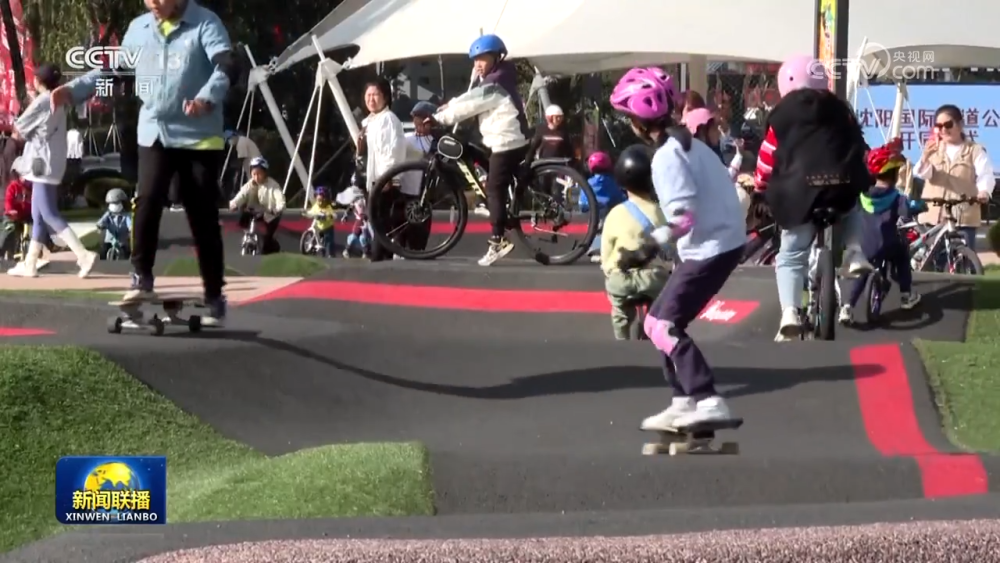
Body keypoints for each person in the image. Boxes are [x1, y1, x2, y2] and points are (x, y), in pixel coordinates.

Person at [54, 0, 236, 324]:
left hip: (198, 135)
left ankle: (213, 294)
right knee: (147, 198)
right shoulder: (138, 29)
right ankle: (141, 277)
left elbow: (227, 67)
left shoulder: (205, 24)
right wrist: (75, 89)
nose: (153, 4)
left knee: (202, 215)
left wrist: (207, 98)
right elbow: (114, 71)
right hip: (154, 132)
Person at [610, 67, 746, 428]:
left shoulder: (667, 156)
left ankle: (707, 398)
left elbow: (683, 219)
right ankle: (683, 400)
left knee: (661, 324)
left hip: (711, 247)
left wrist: (645, 249)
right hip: (721, 241)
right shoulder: (690, 144)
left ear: (638, 121)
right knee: (658, 320)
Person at [753, 55, 872, 342]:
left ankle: (790, 313)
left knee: (791, 255)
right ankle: (855, 250)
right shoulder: (841, 110)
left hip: (798, 194)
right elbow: (858, 146)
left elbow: (767, 157)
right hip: (841, 186)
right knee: (853, 207)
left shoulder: (781, 116)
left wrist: (760, 187)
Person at [427, 34, 530, 266]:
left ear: (496, 57)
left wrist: (438, 118)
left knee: (494, 188)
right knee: (473, 151)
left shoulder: (495, 83)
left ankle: (498, 241)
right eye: (475, 60)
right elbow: (472, 96)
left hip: (507, 142)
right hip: (504, 140)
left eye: (482, 59)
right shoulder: (497, 78)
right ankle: (492, 205)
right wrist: (450, 105)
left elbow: (472, 104)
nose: (478, 64)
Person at [8, 64, 96, 278]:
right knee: (38, 215)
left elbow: (19, 130)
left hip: (41, 163)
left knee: (48, 213)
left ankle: (83, 254)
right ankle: (30, 263)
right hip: (53, 162)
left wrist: (29, 104)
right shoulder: (60, 98)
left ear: (38, 80)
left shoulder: (43, 100)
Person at [839, 140, 924, 323]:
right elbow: (908, 211)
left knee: (862, 271)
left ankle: (847, 307)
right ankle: (906, 295)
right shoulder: (896, 197)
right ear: (894, 174)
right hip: (887, 244)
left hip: (865, 245)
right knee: (902, 256)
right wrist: (920, 205)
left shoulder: (862, 196)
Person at [601, 144, 669, 339]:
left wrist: (610, 270)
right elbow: (671, 248)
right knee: (660, 307)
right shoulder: (660, 212)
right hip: (653, 279)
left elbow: (606, 254)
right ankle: (654, 330)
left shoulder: (615, 213)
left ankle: (621, 338)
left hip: (621, 280)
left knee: (619, 313)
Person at [914, 104, 994, 251]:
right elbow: (923, 174)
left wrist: (983, 191)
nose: (944, 130)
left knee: (963, 258)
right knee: (933, 259)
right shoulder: (933, 148)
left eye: (948, 124)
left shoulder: (975, 150)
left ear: (960, 125)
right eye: (939, 126)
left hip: (963, 217)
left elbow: (986, 175)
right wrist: (925, 157)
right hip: (933, 217)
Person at [358, 78, 406, 262]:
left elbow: (391, 152)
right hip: (374, 179)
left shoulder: (388, 120)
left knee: (380, 220)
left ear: (385, 97)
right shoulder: (371, 121)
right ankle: (381, 256)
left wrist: (386, 179)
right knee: (377, 220)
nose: (371, 99)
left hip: (384, 180)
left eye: (375, 95)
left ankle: (378, 258)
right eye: (368, 95)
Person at [398, 101, 436, 252]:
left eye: (422, 118)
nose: (418, 122)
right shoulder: (406, 138)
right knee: (402, 224)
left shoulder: (434, 142)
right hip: (404, 189)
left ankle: (418, 250)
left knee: (420, 227)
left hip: (423, 192)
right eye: (416, 118)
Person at [228, 157, 285, 253]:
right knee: (241, 214)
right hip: (254, 212)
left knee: (266, 243)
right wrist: (234, 203)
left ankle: (272, 245)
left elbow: (280, 200)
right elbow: (241, 195)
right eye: (254, 174)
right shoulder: (249, 185)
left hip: (270, 214)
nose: (256, 177)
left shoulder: (273, 186)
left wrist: (278, 209)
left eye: (259, 174)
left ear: (265, 173)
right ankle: (248, 234)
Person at [581, 151, 624, 262]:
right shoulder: (612, 182)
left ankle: (594, 250)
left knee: (596, 231)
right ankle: (605, 250)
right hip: (608, 212)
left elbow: (582, 203)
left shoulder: (588, 182)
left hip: (592, 213)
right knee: (607, 230)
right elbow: (620, 198)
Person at [683, 108, 742, 178]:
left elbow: (724, 140)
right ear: (702, 134)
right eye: (715, 129)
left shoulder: (709, 148)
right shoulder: (704, 158)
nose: (719, 132)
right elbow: (725, 177)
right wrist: (739, 156)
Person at [1, 157, 31, 258]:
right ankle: (1, 250)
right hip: (12, 215)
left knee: (38, 227)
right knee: (10, 229)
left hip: (26, 215)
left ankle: (42, 248)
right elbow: (8, 200)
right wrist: (10, 210)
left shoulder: (32, 188)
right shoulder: (13, 187)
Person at [96, 188, 133, 259]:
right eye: (112, 203)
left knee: (127, 251)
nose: (114, 206)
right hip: (110, 239)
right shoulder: (108, 214)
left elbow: (130, 224)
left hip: (122, 240)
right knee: (103, 250)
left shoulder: (126, 216)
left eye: (117, 203)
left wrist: (131, 229)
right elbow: (102, 221)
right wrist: (100, 226)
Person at [336, 186, 371, 258]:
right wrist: (345, 216)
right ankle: (347, 250)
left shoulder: (367, 199)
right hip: (359, 220)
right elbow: (350, 208)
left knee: (363, 238)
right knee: (354, 236)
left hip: (366, 221)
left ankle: (366, 252)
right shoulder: (355, 200)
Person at [305, 186, 336, 257]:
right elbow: (311, 212)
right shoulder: (316, 206)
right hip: (319, 227)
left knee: (329, 242)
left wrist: (329, 216)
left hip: (328, 228)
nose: (320, 203)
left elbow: (333, 215)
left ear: (326, 200)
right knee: (320, 240)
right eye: (318, 200)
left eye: (322, 201)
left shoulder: (328, 207)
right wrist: (306, 214)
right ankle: (318, 251)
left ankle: (331, 254)